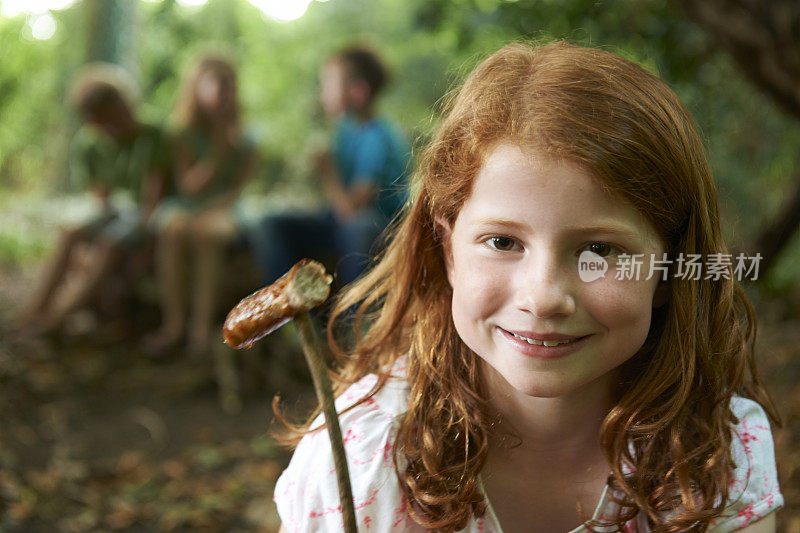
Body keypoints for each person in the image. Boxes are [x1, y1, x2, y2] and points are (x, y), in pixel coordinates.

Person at [272, 41, 784, 531]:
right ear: (449, 252)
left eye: (600, 251)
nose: (541, 298)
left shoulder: (716, 454)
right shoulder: (361, 458)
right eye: (502, 242)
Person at [14, 64, 169, 336]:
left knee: (109, 244)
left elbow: (151, 201)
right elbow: (100, 198)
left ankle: (57, 319)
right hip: (113, 211)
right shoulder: (90, 142)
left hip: (142, 215)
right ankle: (34, 310)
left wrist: (141, 243)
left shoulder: (152, 135)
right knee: (71, 232)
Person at [249, 45, 409, 286]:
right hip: (341, 225)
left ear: (358, 91)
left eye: (329, 84)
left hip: (382, 231)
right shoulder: (344, 129)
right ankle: (290, 309)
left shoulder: (378, 137)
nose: (323, 93)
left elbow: (350, 210)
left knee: (358, 226)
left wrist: (327, 172)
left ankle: (354, 316)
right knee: (270, 224)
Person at [144, 54, 258, 357]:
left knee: (210, 235)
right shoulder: (179, 132)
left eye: (228, 86)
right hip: (186, 204)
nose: (223, 94)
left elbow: (236, 190)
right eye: (215, 86)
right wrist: (218, 150)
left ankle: (200, 330)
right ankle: (174, 325)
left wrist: (227, 142)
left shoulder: (249, 138)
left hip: (223, 207)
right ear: (196, 88)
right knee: (172, 228)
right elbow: (189, 187)